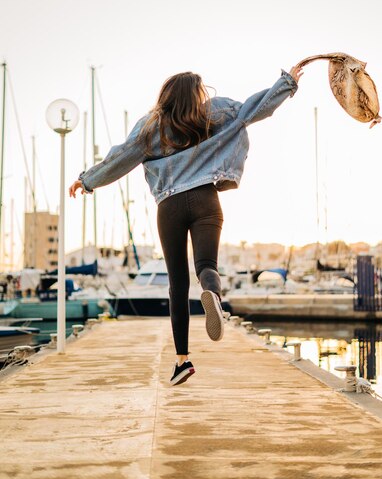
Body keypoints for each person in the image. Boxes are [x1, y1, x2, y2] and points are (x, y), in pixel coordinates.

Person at [69, 64, 303, 385]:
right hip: (207, 199)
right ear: (197, 94)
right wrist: (286, 83)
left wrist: (87, 181)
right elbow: (254, 109)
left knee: (177, 284)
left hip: (170, 207)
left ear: (166, 96)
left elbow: (120, 158)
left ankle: (183, 361)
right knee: (206, 265)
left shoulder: (151, 126)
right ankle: (213, 296)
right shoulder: (215, 113)